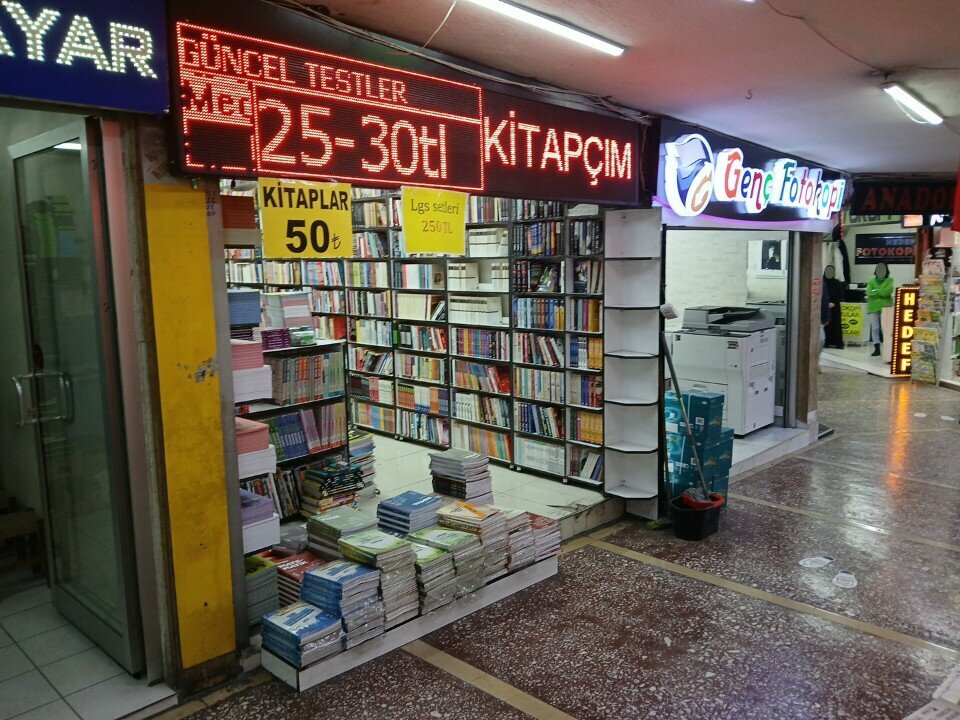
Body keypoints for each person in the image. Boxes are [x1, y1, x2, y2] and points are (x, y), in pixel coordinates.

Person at [866, 262, 893, 357]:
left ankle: (887, 348)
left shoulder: (890, 280)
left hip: (886, 308)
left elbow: (888, 291)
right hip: (873, 308)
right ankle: (876, 348)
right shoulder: (871, 281)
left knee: (885, 328)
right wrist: (881, 291)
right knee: (875, 328)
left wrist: (876, 290)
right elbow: (869, 293)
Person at [822, 265, 845, 348]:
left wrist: (834, 303)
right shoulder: (822, 282)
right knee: (826, 325)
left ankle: (838, 343)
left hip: (835, 307)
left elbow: (840, 295)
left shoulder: (837, 283)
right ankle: (827, 342)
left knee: (836, 325)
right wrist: (826, 304)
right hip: (825, 307)